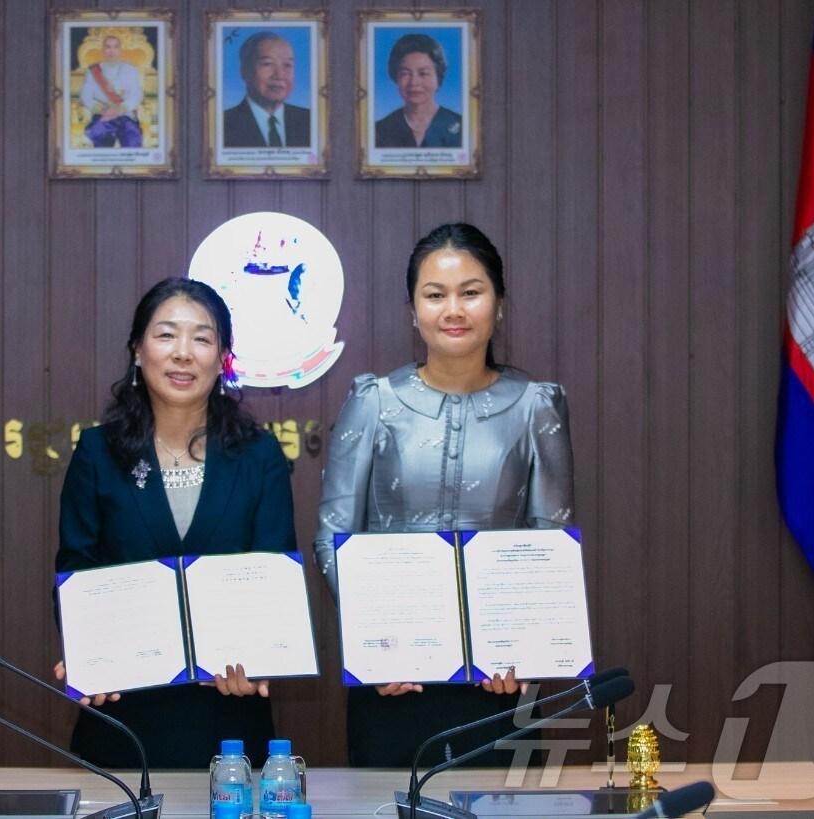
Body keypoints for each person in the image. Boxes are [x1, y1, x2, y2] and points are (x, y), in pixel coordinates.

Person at [313, 223, 574, 768]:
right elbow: (334, 534)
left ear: (498, 304)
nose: (453, 309)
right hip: (392, 678)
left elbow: (550, 539)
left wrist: (525, 648)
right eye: (435, 295)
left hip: (501, 684)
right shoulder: (374, 401)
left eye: (471, 292)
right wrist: (377, 641)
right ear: (413, 310)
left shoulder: (535, 405)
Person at [55, 277, 296, 767]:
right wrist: (87, 652)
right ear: (138, 351)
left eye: (202, 339)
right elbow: (76, 565)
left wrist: (262, 655)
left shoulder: (258, 454)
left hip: (230, 716)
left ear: (222, 356)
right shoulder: (99, 452)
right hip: (124, 714)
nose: (183, 353)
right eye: (166, 335)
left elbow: (274, 571)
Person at [223, 31, 311, 148]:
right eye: (267, 64)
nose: (279, 75)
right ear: (244, 71)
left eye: (287, 65)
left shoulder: (310, 121)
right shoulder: (222, 124)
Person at [374, 33, 463, 149]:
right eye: (405, 73)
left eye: (423, 73)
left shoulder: (463, 127)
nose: (414, 82)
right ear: (396, 77)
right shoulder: (380, 130)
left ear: (438, 77)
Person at [80, 34, 144, 148]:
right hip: (102, 116)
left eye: (115, 47)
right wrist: (104, 110)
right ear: (103, 50)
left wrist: (120, 109)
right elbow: (86, 97)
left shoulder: (130, 70)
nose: (111, 51)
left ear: (120, 50)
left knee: (133, 142)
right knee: (100, 139)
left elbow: (136, 95)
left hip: (125, 115)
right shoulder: (93, 71)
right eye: (108, 47)